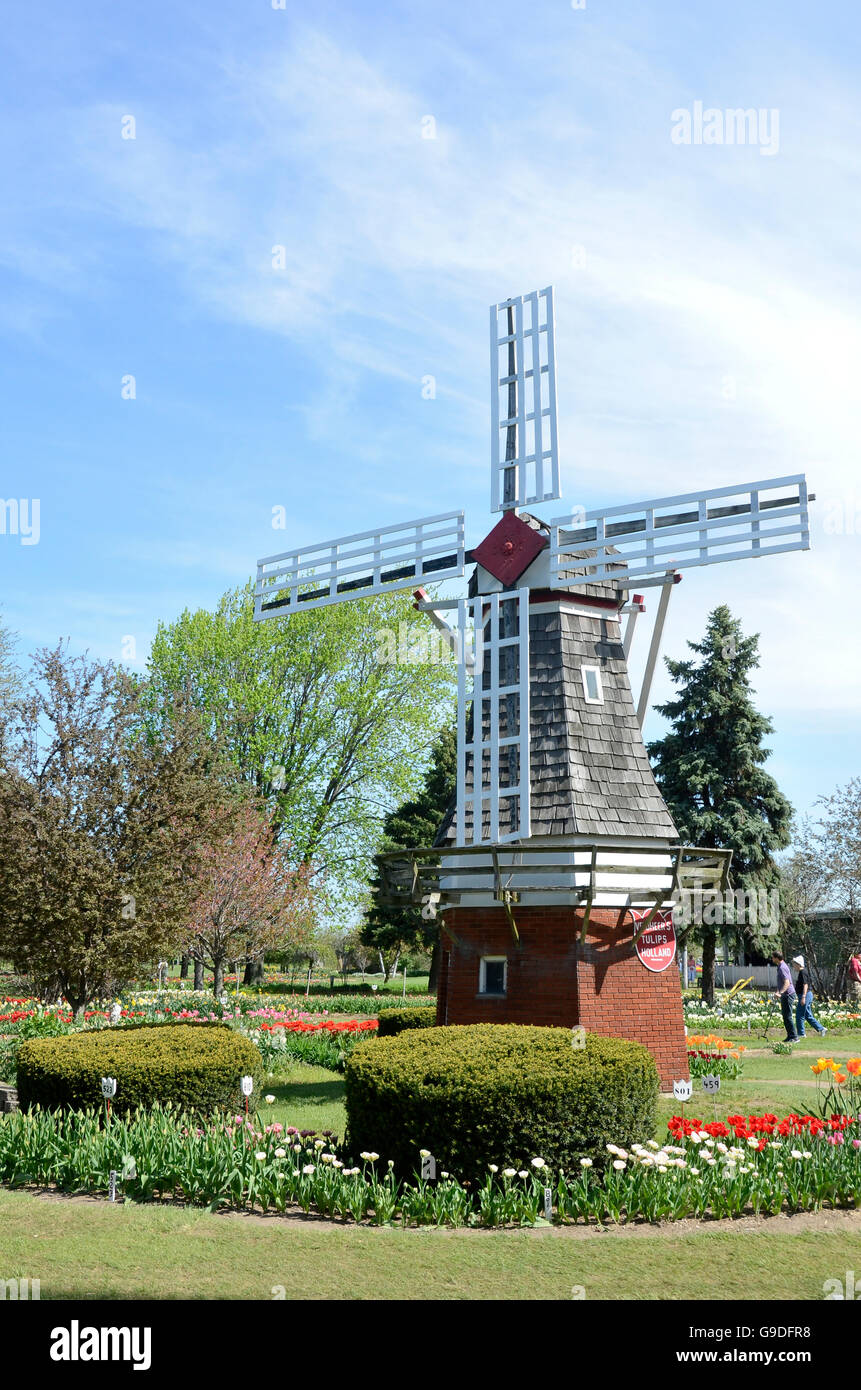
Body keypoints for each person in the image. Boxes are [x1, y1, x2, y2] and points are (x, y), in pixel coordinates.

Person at [792, 954, 826, 1038]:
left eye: (794, 964)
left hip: (805, 995)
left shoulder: (803, 972)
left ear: (799, 964)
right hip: (806, 995)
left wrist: (803, 997)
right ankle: (821, 1029)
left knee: (799, 1015)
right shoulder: (802, 972)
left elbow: (805, 985)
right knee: (807, 1015)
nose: (793, 966)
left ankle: (801, 1034)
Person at [771, 951, 798, 1042]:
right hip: (785, 994)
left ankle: (794, 1037)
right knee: (785, 1016)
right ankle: (790, 1036)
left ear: (776, 958)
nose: (772, 959)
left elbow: (787, 982)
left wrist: (780, 992)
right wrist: (778, 991)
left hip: (788, 994)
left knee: (788, 1016)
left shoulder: (782, 967)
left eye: (773, 957)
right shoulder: (780, 966)